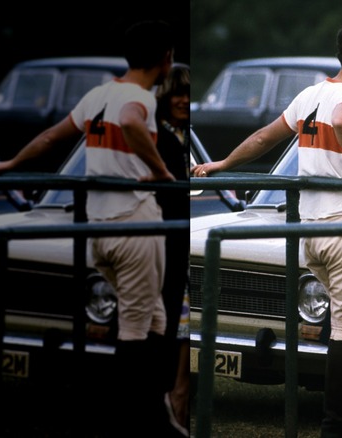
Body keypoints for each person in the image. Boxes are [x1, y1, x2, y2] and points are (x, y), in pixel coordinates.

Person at [191, 20, 342, 438]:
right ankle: (336, 425)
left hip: (311, 229)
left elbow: (265, 137)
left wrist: (222, 164)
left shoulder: (310, 94)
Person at [0, 20, 177, 436]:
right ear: (165, 60)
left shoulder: (98, 94)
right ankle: (126, 418)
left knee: (156, 319)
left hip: (100, 230)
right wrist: (161, 172)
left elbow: (54, 136)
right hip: (133, 224)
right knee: (137, 329)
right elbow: (130, 121)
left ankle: (157, 414)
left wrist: (11, 163)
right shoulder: (139, 99)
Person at [154, 63, 191, 437]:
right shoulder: (154, 134)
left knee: (182, 320)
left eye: (189, 93)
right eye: (176, 93)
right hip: (159, 239)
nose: (183, 100)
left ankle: (180, 397)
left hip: (182, 240)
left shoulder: (186, 135)